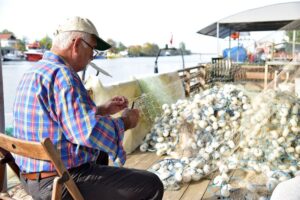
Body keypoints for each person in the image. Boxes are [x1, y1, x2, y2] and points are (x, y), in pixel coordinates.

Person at [12, 16, 164, 200]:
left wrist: (103, 109)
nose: (93, 55)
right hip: (57, 184)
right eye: (92, 48)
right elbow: (88, 133)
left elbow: (58, 117)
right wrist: (126, 121)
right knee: (152, 185)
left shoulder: (35, 71)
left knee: (99, 153)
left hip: (30, 177)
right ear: (76, 44)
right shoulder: (63, 76)